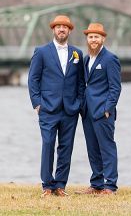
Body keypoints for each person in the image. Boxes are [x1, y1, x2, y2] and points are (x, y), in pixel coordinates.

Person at [27, 15, 85, 197]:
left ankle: (60, 186)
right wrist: (37, 103)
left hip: (70, 110)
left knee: (66, 147)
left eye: (65, 27)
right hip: (48, 109)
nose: (62, 29)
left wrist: (78, 103)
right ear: (53, 29)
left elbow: (81, 83)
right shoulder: (41, 52)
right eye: (58, 26)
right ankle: (47, 186)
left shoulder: (77, 54)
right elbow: (33, 79)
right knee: (48, 144)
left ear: (69, 30)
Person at [78, 23, 122, 195]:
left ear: (103, 38)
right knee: (92, 149)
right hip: (88, 112)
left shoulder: (110, 59)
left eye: (97, 36)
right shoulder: (86, 59)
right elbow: (85, 84)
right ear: (87, 39)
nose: (93, 40)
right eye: (90, 37)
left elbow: (115, 87)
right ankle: (96, 183)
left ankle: (110, 185)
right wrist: (82, 106)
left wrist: (107, 108)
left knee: (107, 148)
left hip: (103, 112)